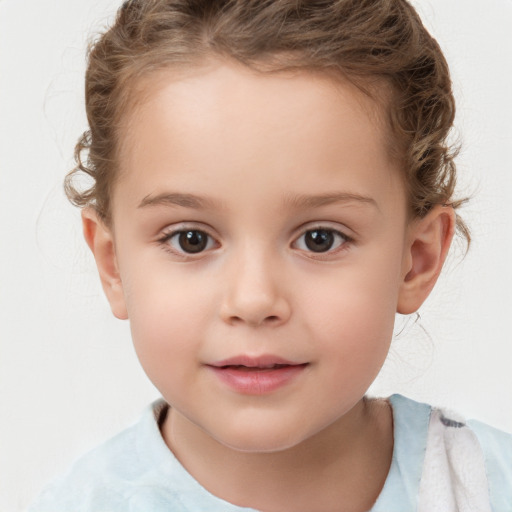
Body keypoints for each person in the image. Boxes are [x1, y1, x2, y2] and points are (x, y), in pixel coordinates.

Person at [28, 0, 512, 511]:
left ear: (415, 260)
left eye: (319, 238)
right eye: (191, 239)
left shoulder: (486, 489)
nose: (255, 300)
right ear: (113, 264)